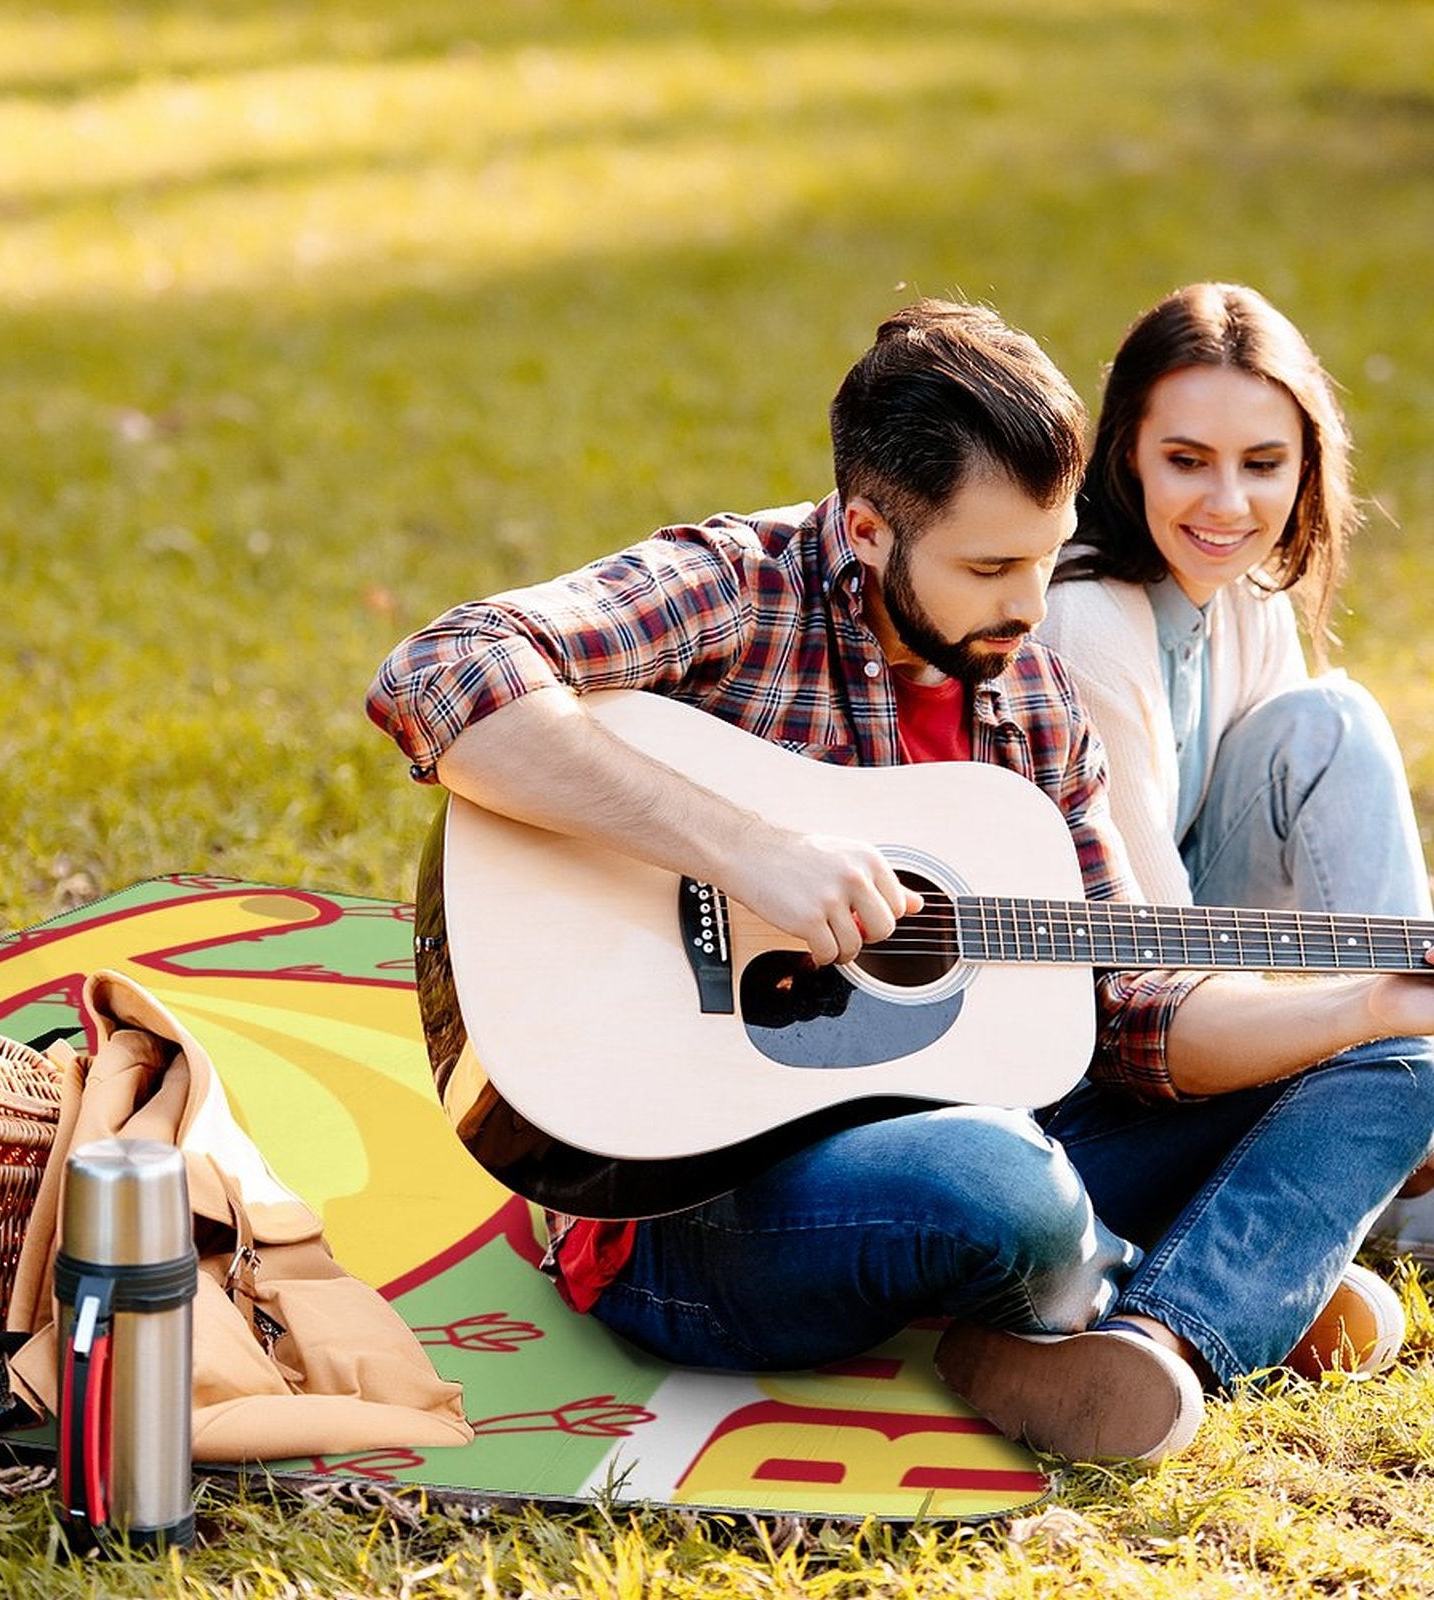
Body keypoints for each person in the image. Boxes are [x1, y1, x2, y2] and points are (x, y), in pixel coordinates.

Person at [366, 300, 1434, 1466]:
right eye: (988, 567)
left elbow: (1133, 1006)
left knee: (1401, 1064)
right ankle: (1207, 1275)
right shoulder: (736, 587)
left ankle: (1160, 1337)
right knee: (998, 1185)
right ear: (867, 528)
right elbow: (442, 670)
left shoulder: (1029, 697)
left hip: (992, 1136)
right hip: (689, 1208)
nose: (1030, 608)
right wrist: (744, 849)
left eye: (1045, 553)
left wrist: (1363, 1005)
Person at [1038, 282, 1434, 1255]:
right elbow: (1151, 969)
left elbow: (1293, 899)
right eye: (1186, 460)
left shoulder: (1244, 592)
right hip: (1099, 1050)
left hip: (1200, 992)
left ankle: (1399, 1111)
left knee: (1322, 722)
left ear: (1306, 465)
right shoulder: (1086, 620)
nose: (1227, 503)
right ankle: (1397, 1160)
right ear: (1125, 449)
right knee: (1332, 720)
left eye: (1263, 464)